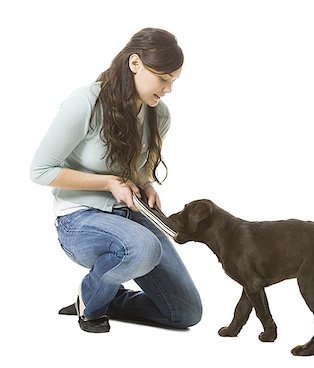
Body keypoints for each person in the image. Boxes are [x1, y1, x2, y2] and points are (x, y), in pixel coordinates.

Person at [30, 28, 202, 333]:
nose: (168, 89)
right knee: (145, 247)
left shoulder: (158, 115)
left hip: (130, 216)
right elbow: (41, 170)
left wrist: (146, 185)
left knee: (185, 312)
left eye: (173, 81)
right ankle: (91, 299)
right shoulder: (87, 102)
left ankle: (108, 297)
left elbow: (139, 171)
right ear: (135, 63)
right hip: (79, 219)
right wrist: (108, 183)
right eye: (163, 78)